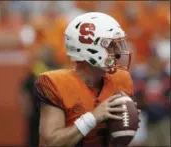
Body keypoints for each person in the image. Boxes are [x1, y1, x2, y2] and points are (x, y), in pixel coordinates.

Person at [34, 12, 138, 147]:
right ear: (91, 49)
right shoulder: (55, 83)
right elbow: (51, 143)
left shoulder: (121, 80)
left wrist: (126, 125)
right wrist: (92, 118)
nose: (118, 52)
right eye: (111, 45)